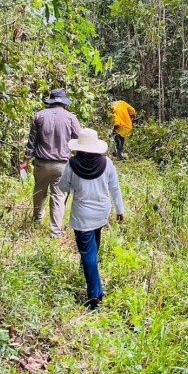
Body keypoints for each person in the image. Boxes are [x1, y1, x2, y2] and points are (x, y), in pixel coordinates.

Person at [58, 128, 124, 311]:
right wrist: (120, 210)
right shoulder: (107, 163)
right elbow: (115, 188)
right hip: (102, 212)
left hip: (82, 214)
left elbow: (63, 186)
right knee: (93, 246)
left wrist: (75, 186)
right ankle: (94, 280)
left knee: (88, 254)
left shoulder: (72, 164)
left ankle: (94, 297)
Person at [22, 87, 81, 237]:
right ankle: (55, 231)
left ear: (51, 101)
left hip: (41, 164)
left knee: (39, 191)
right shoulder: (71, 118)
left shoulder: (39, 116)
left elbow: (32, 142)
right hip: (62, 165)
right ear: (64, 103)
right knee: (58, 196)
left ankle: (36, 220)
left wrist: (25, 161)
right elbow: (79, 140)